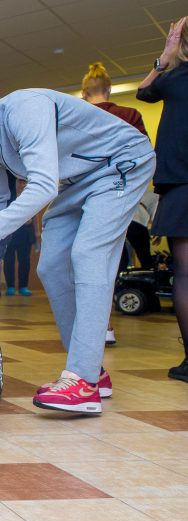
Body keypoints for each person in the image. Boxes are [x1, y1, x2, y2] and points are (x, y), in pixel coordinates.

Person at [0, 86, 154, 414]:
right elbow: (3, 200)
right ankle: (93, 370)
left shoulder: (24, 110)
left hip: (120, 162)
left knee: (88, 254)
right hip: (76, 182)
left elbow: (44, 185)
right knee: (51, 266)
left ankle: (83, 381)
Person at [81, 61, 151, 345]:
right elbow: (144, 157)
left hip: (84, 197)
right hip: (117, 198)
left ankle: (99, 325)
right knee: (109, 261)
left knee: (86, 263)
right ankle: (103, 324)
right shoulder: (130, 115)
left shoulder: (80, 118)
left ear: (84, 92)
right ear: (109, 89)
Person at [137, 16, 188, 382]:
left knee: (185, 274)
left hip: (181, 186)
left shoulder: (175, 78)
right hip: (180, 186)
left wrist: (164, 58)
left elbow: (143, 91)